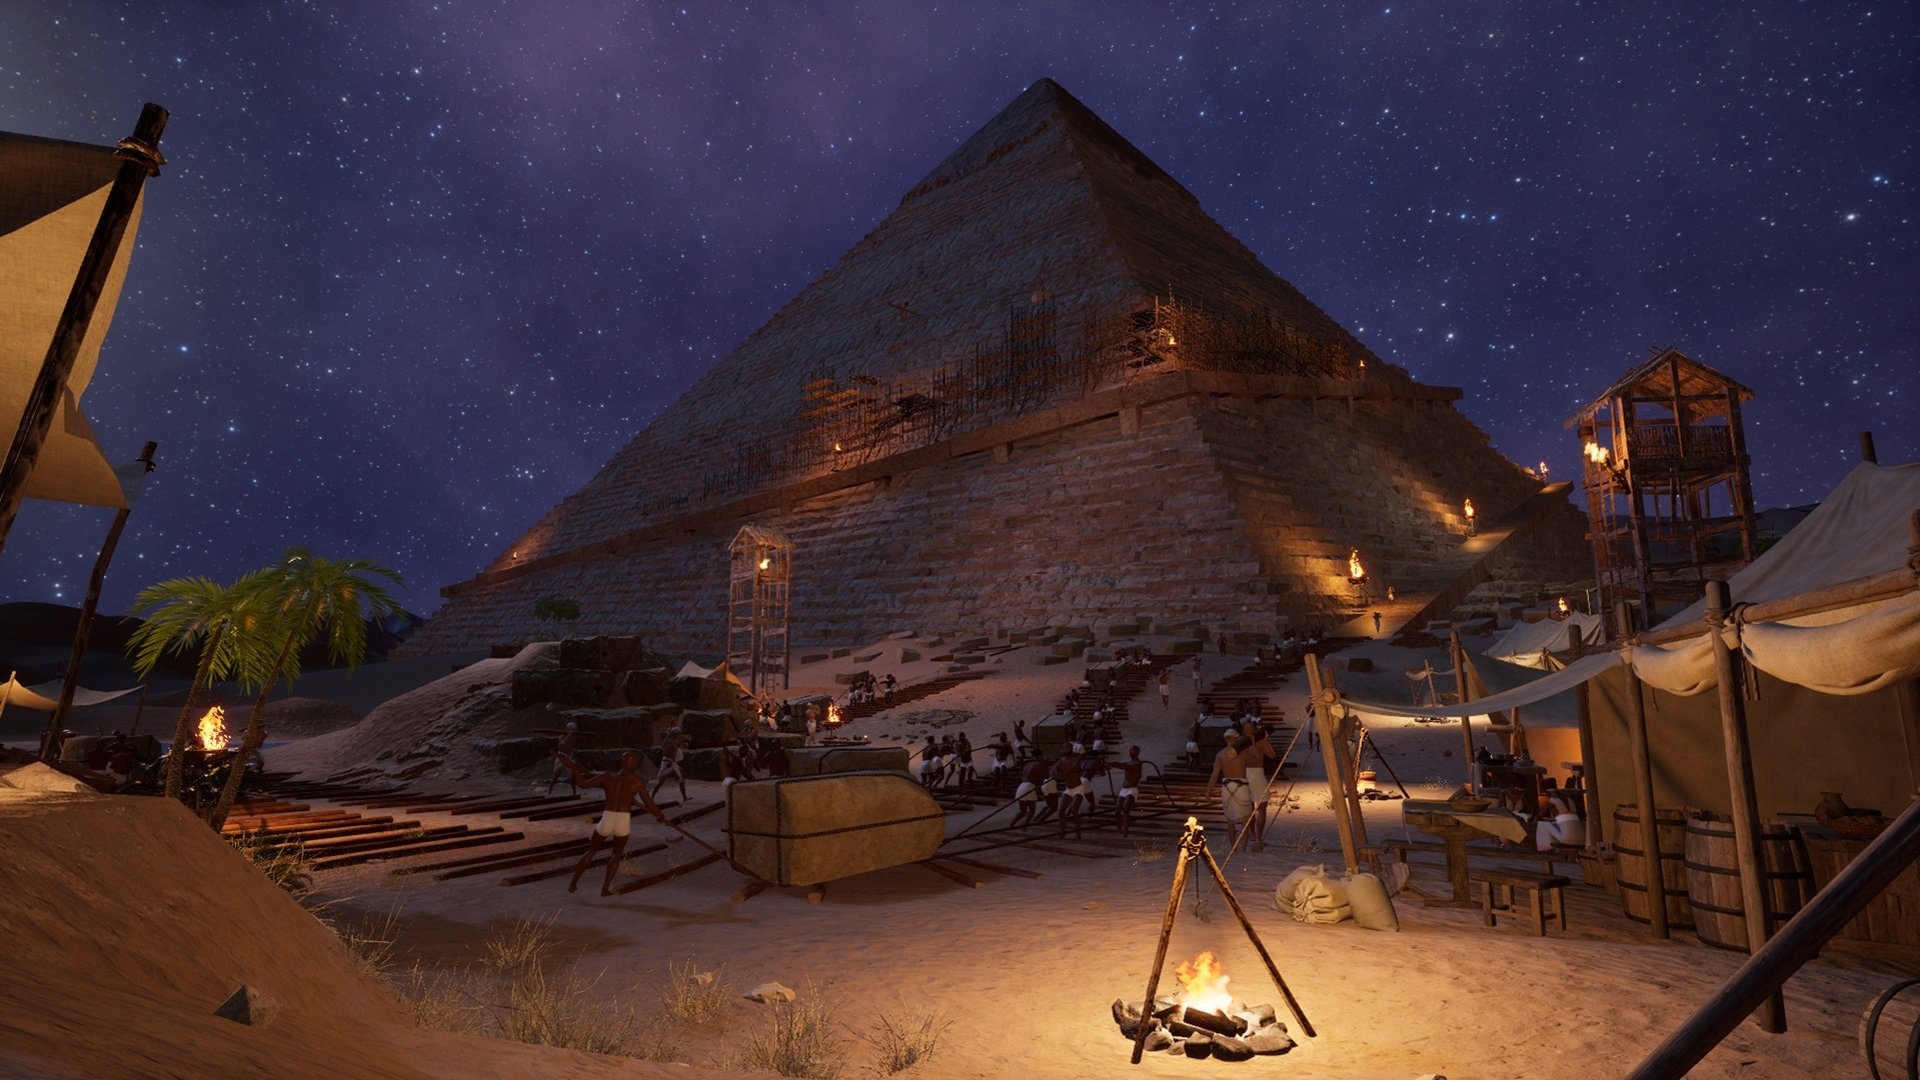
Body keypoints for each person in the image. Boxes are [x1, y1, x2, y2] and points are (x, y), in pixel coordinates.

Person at [556, 749, 668, 896]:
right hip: (622, 819)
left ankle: (573, 884)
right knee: (616, 854)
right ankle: (605, 889)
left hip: (607, 817)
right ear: (636, 765)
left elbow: (583, 784)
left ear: (621, 762)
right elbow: (649, 804)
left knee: (591, 851)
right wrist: (660, 816)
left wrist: (572, 767)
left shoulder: (607, 776)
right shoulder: (637, 781)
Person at [1206, 733, 1254, 844]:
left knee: (1230, 820)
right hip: (1241, 787)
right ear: (1237, 739)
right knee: (1244, 820)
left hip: (1227, 788)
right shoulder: (1244, 753)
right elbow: (1255, 764)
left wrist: (1208, 792)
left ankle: (1233, 847)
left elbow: (1214, 775)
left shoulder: (1220, 755)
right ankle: (1243, 848)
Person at [1240, 717, 1276, 851]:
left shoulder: (1241, 743)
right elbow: (1272, 755)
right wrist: (1266, 741)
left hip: (1244, 773)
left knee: (1249, 807)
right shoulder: (1259, 742)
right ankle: (1258, 838)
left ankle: (1253, 836)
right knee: (1261, 807)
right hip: (1256, 773)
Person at [1110, 746, 1147, 837]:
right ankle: (1119, 828)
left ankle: (1125, 831)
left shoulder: (1138, 763)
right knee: (1117, 810)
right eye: (1130, 750)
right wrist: (1110, 764)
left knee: (1125, 808)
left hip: (1132, 790)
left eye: (1133, 751)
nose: (1131, 752)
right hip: (1124, 789)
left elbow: (1124, 766)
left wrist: (1113, 764)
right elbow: (1122, 765)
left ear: (1138, 752)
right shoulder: (1128, 763)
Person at [1053, 745, 1086, 838]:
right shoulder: (1062, 760)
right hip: (1069, 788)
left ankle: (1078, 832)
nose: (1063, 750)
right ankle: (1062, 831)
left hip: (1078, 788)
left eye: (1065, 748)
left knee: (1074, 810)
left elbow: (1071, 770)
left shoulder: (1076, 760)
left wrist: (1060, 774)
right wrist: (1056, 772)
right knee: (1061, 809)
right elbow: (1056, 768)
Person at [1012, 753, 1049, 828]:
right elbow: (1046, 776)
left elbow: (1023, 775)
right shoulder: (1039, 764)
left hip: (1021, 786)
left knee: (1023, 812)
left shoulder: (1027, 765)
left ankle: (1012, 824)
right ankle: (1025, 826)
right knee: (1031, 810)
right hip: (1029, 786)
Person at [651, 728, 687, 801]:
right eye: (678, 734)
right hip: (667, 762)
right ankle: (652, 796)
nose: (679, 735)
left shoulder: (676, 742)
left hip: (673, 763)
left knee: (681, 779)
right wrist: (668, 735)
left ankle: (684, 797)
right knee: (661, 780)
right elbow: (663, 748)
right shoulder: (669, 741)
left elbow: (684, 747)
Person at [548, 722, 580, 796]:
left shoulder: (573, 737)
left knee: (572, 776)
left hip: (568, 757)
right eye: (572, 729)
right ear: (567, 729)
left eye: (575, 729)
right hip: (561, 757)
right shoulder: (562, 736)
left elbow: (570, 746)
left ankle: (574, 794)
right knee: (556, 776)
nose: (574, 731)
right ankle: (549, 792)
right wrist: (569, 735)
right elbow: (563, 745)